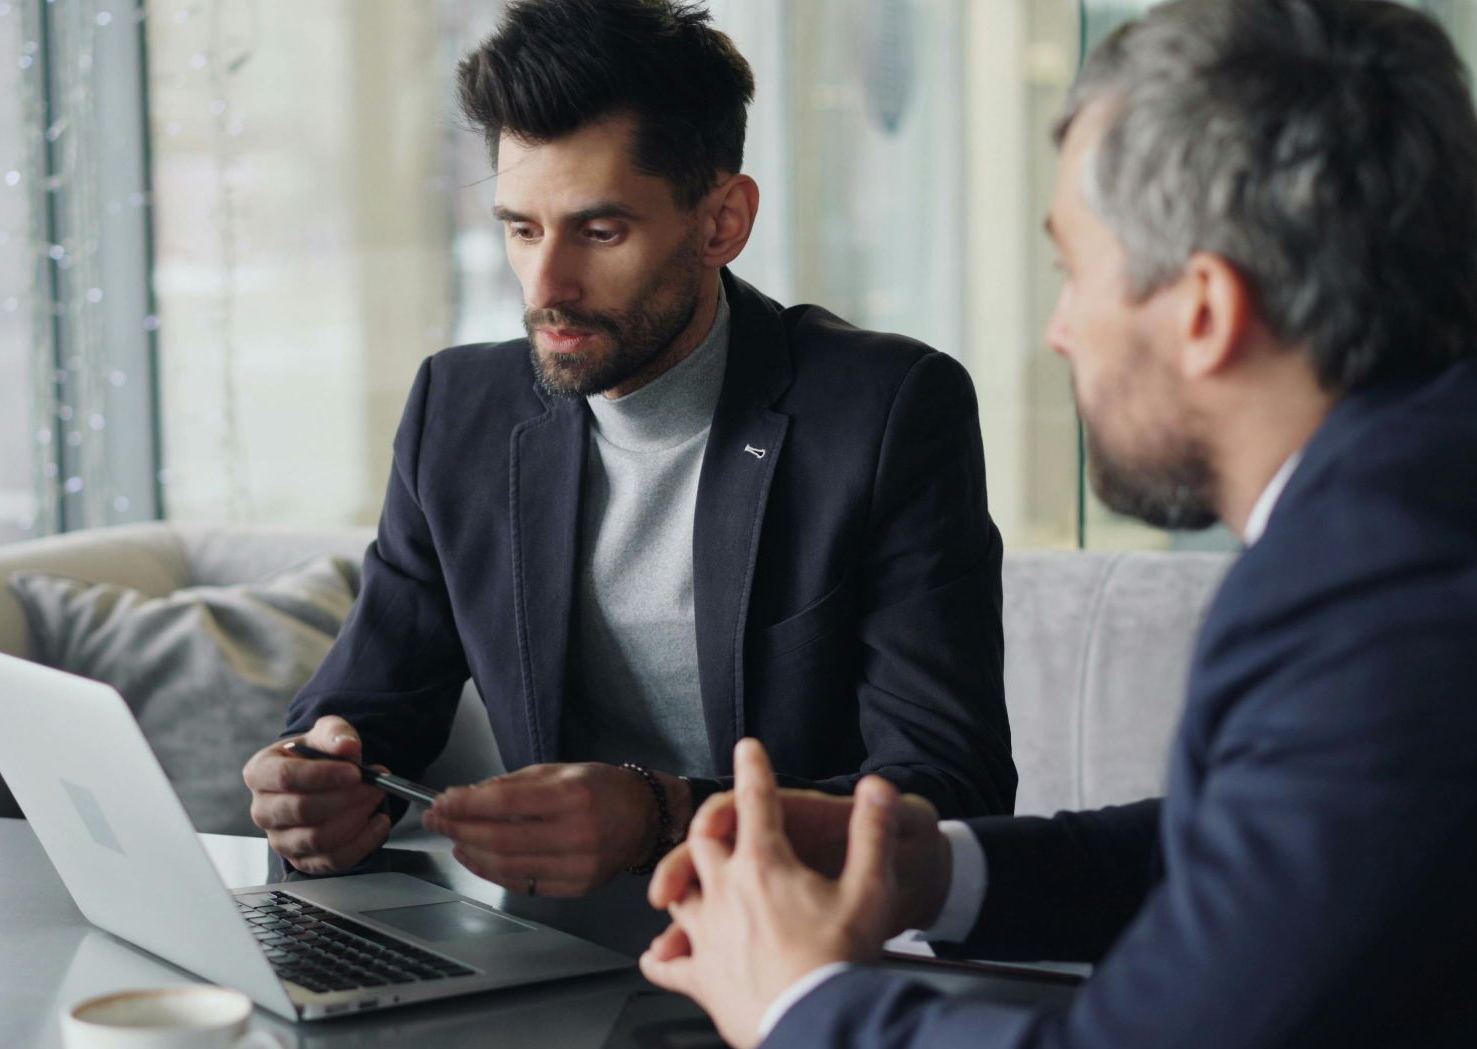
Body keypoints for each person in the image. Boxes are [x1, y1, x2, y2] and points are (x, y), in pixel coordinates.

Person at [639, 0, 1477, 1049]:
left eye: (1074, 270)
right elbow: (1270, 874)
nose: (1059, 330)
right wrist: (933, 872)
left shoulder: (1402, 586)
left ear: (1203, 308)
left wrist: (796, 1004)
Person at [240, 0, 1016, 899]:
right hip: (541, 948)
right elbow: (366, 708)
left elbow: (951, 795)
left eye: (599, 232)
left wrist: (664, 816)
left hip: (801, 946)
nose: (546, 287)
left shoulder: (884, 413)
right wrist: (315, 780)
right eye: (521, 229)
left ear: (722, 222)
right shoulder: (458, 412)